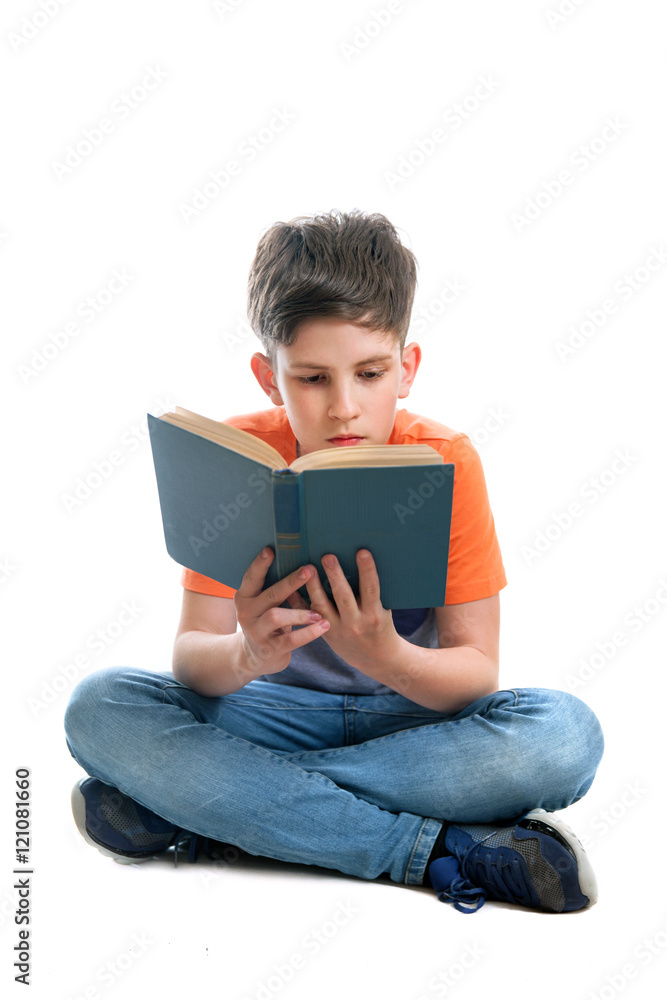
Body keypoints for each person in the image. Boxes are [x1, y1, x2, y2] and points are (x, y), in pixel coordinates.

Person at [64, 209, 604, 913]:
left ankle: (208, 808)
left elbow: (474, 675)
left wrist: (386, 657)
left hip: (410, 726)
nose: (344, 408)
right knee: (101, 707)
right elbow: (194, 659)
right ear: (268, 377)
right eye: (313, 379)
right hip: (266, 711)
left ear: (405, 369)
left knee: (564, 737)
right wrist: (248, 654)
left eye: (370, 373)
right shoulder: (235, 458)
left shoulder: (444, 462)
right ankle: (437, 851)